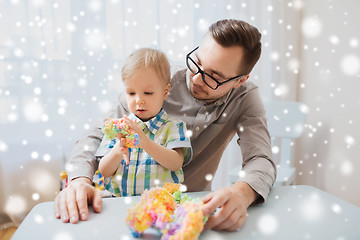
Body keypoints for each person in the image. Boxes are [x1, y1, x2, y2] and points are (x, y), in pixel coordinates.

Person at [54, 19, 276, 232]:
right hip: (127, 204)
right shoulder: (155, 80)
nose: (197, 79)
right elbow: (95, 135)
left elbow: (261, 158)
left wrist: (243, 191)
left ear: (240, 80)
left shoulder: (244, 98)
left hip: (191, 208)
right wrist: (79, 180)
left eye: (214, 77)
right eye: (197, 62)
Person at [97, 48, 192, 197]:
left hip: (160, 204)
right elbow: (104, 170)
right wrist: (117, 150)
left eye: (147, 93)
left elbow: (176, 163)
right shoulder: (118, 128)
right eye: (131, 93)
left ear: (165, 92)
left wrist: (145, 142)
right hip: (121, 202)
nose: (138, 100)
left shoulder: (174, 126)